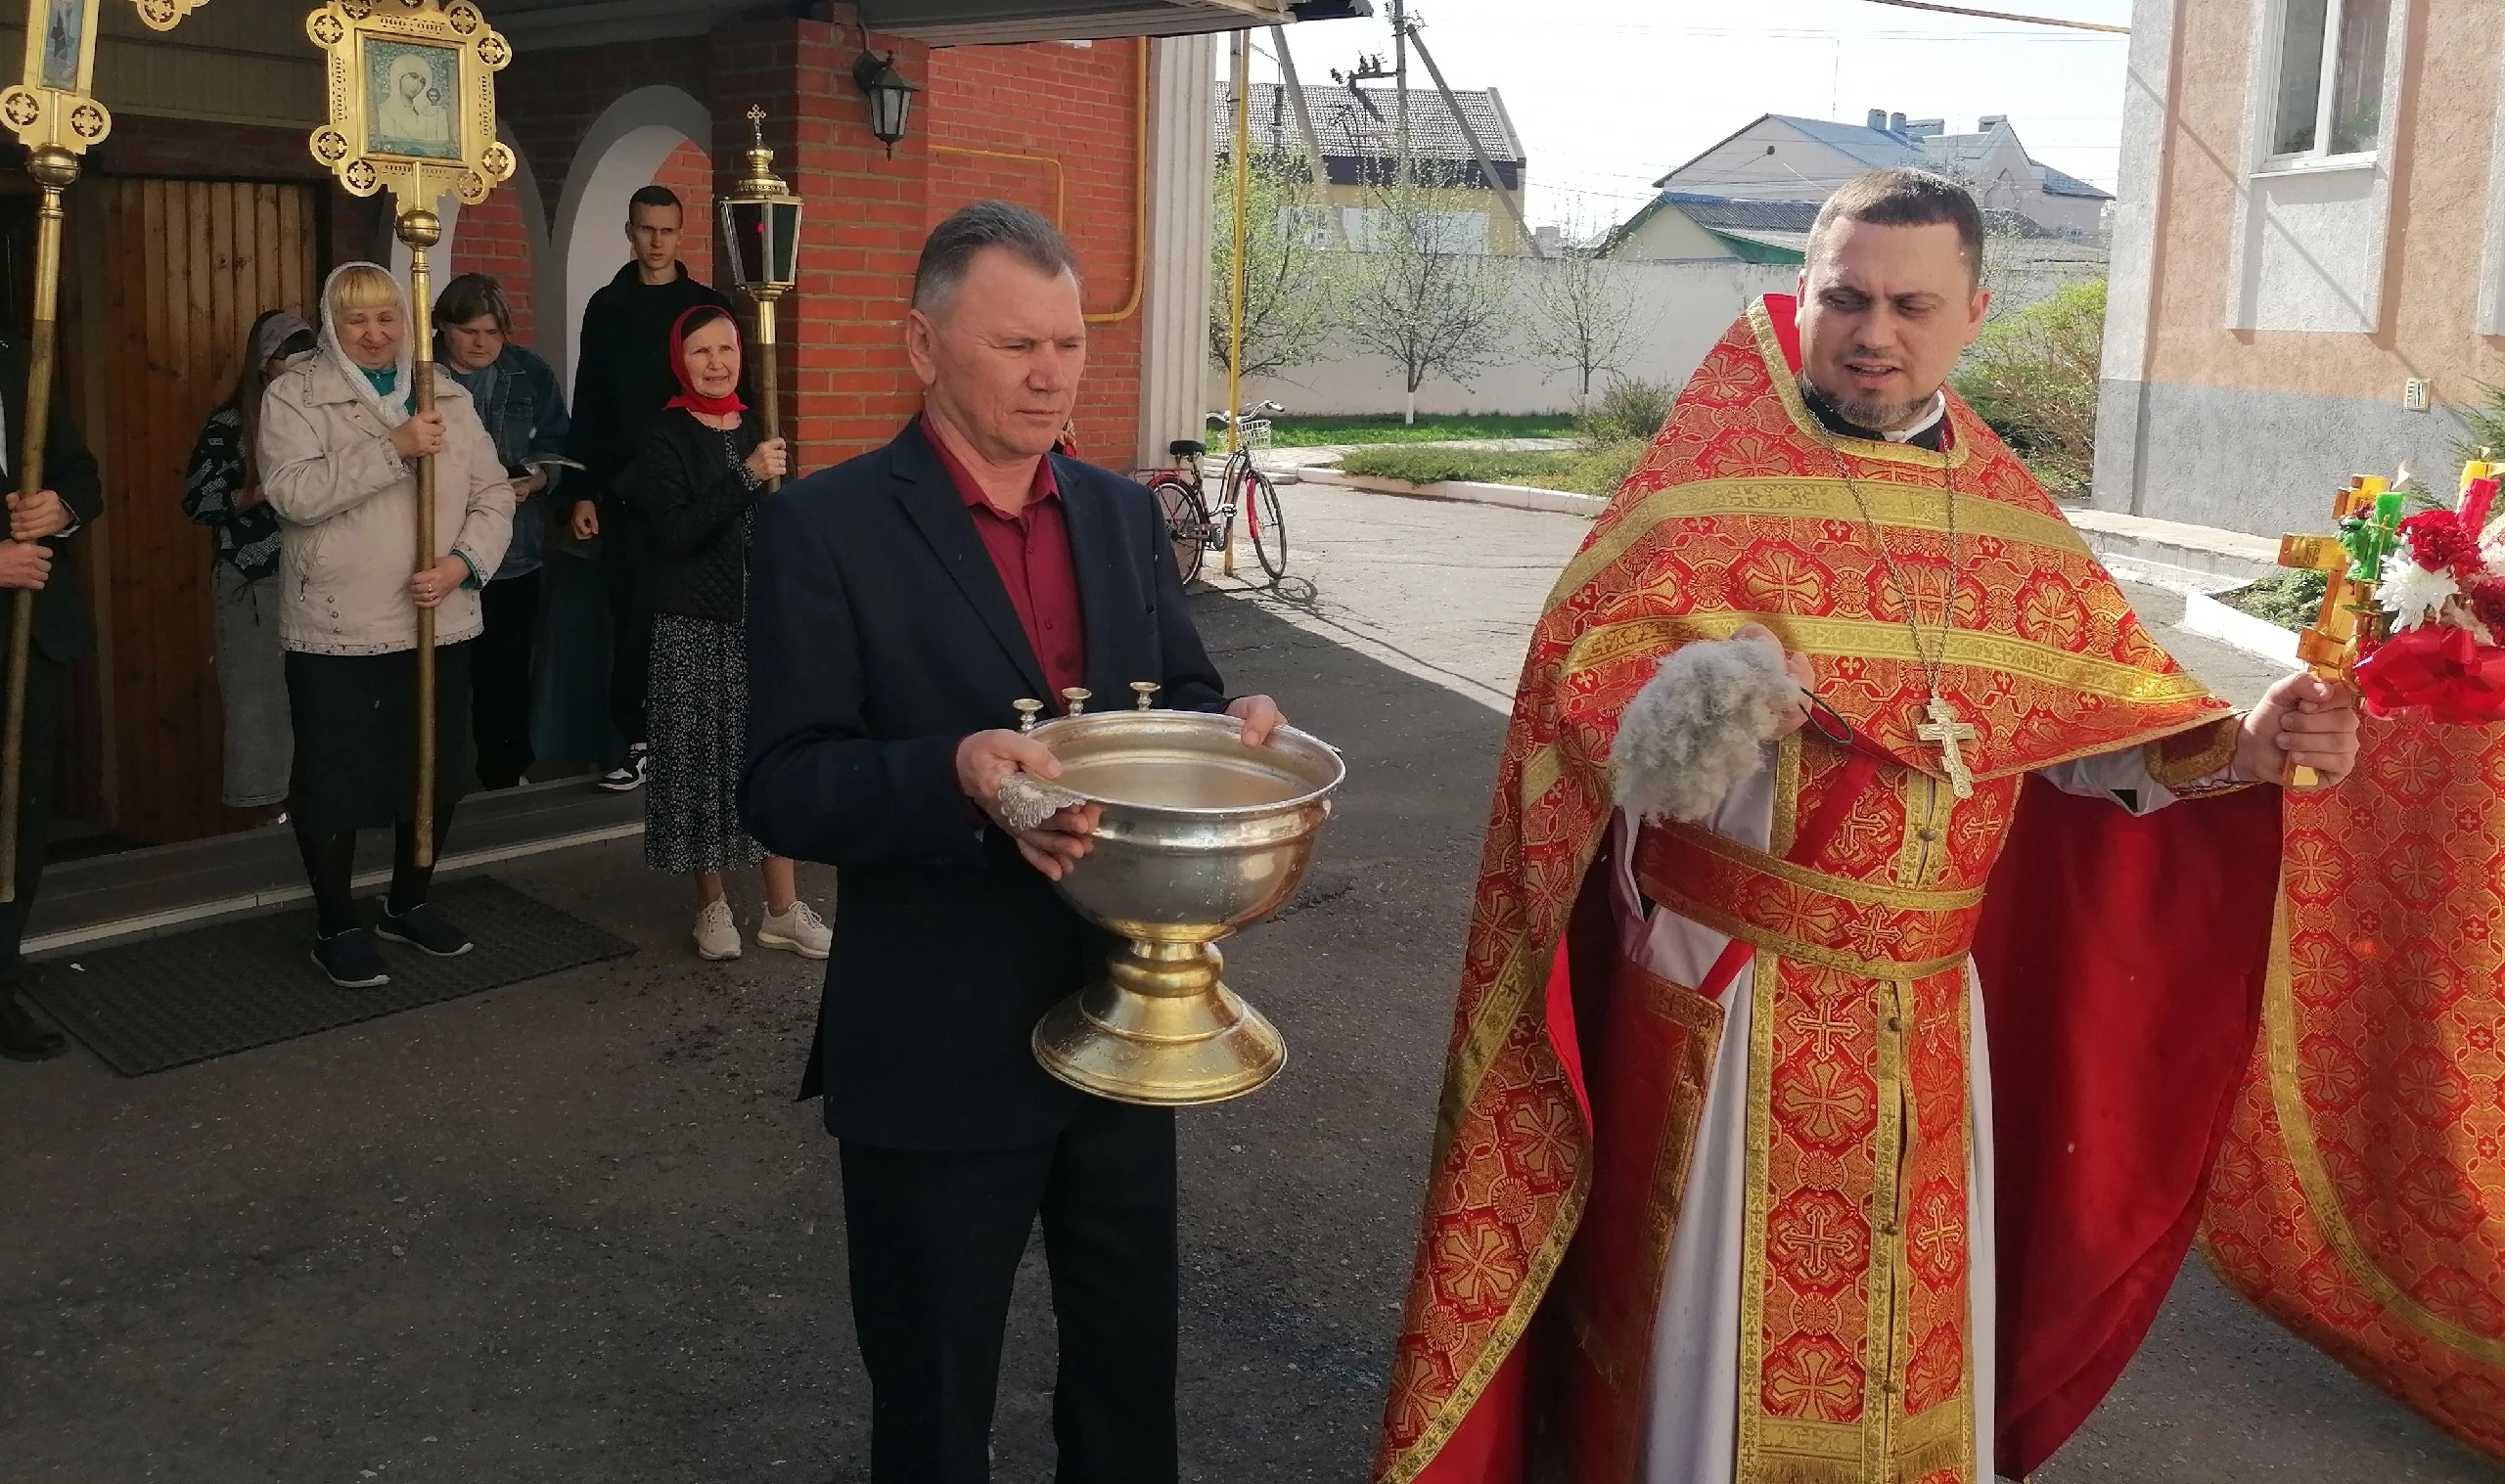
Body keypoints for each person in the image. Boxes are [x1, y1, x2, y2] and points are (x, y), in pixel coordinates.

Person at [1374, 168, 2362, 1484]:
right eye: (1845, 297)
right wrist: (1684, 710)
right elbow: (1587, 711)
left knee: (1905, 1354)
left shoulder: (2010, 522)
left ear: (1973, 317)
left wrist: (2249, 747)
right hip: (1735, 1007)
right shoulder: (1705, 494)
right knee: (1712, 1367)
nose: (1872, 331)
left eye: (1910, 304)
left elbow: (2092, 736)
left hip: (1925, 1015)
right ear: (1801, 298)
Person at [743, 200, 1287, 1484]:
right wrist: (958, 774)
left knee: (1126, 1372)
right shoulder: (824, 528)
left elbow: (1188, 698)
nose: (1052, 374)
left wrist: (1232, 732)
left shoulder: (1116, 514)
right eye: (1015, 347)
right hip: (935, 1039)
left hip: (1126, 1016)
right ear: (923, 346)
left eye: (1069, 344)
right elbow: (784, 786)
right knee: (935, 1400)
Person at [261, 262, 514, 989]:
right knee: (335, 778)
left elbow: (495, 492)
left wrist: (463, 563)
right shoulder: (296, 395)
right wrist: (392, 448)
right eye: (356, 320)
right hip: (340, 626)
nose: (374, 334)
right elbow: (293, 494)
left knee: (433, 773)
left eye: (387, 318)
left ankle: (409, 902)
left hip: (438, 615)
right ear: (332, 324)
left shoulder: (448, 396)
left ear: (407, 322)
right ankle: (336, 919)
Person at [615, 305, 824, 962]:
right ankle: (712, 905)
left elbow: (781, 522)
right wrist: (746, 477)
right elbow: (676, 532)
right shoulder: (665, 437)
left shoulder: (759, 427)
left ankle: (783, 909)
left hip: (757, 620)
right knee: (699, 762)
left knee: (766, 756)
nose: (716, 363)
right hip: (691, 624)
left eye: (726, 350)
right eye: (701, 351)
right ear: (682, 360)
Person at [566, 183, 734, 793]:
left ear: (680, 233)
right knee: (634, 616)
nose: (656, 241)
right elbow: (589, 400)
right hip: (625, 490)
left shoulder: (706, 306)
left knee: (694, 611)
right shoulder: (605, 306)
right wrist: (582, 488)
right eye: (646, 229)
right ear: (630, 231)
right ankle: (636, 743)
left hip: (695, 485)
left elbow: (724, 387)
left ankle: (696, 743)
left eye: (667, 230)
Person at [0, 329, 104, 1064]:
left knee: (16, 821)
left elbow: (80, 471)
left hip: (30, 634)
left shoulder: (15, 354)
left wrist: (60, 508)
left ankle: (1, 980)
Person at [435, 273, 569, 790]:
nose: (483, 343)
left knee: (507, 673)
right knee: (441, 676)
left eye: (493, 333)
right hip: (439, 550)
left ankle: (505, 776)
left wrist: (540, 478)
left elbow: (559, 439)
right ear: (442, 326)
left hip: (514, 549)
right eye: (470, 332)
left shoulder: (529, 371)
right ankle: (434, 781)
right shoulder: (415, 376)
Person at [182, 308, 318, 814]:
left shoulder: (324, 412)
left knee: (322, 705)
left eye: (311, 357)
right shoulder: (230, 422)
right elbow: (200, 502)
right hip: (255, 579)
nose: (302, 368)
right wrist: (264, 492)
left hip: (320, 576)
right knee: (259, 705)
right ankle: (269, 818)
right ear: (265, 364)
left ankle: (322, 811)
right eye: (291, 358)